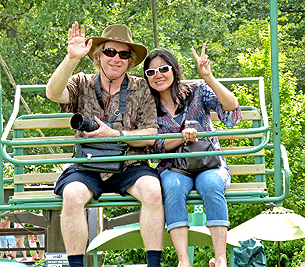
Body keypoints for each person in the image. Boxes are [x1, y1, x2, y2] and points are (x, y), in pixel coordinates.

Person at [46, 22, 164, 267]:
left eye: (123, 54)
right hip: (88, 164)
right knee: (72, 195)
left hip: (130, 164)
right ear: (98, 55)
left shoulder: (141, 88)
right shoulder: (81, 82)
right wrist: (71, 59)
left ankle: (154, 265)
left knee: (153, 191)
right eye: (110, 52)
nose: (116, 59)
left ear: (130, 61)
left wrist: (116, 134)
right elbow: (54, 93)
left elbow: (152, 134)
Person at [143, 45, 242, 267]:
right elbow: (154, 146)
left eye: (163, 69)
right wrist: (181, 137)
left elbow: (231, 111)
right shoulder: (149, 107)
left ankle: (220, 258)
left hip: (209, 162)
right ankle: (183, 260)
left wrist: (208, 77)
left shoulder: (197, 91)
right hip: (174, 166)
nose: (158, 75)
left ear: (174, 69)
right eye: (151, 72)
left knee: (210, 183)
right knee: (172, 186)